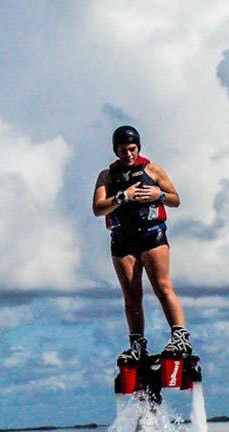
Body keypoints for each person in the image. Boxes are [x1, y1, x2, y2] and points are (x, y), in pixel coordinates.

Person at [93, 125, 193, 362]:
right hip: (122, 239)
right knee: (131, 293)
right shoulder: (107, 176)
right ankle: (137, 343)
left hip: (151, 234)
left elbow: (175, 199)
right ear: (115, 150)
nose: (128, 154)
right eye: (122, 150)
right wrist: (122, 196)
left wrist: (157, 195)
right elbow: (98, 208)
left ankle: (180, 336)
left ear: (138, 147)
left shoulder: (153, 169)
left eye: (132, 149)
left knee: (162, 286)